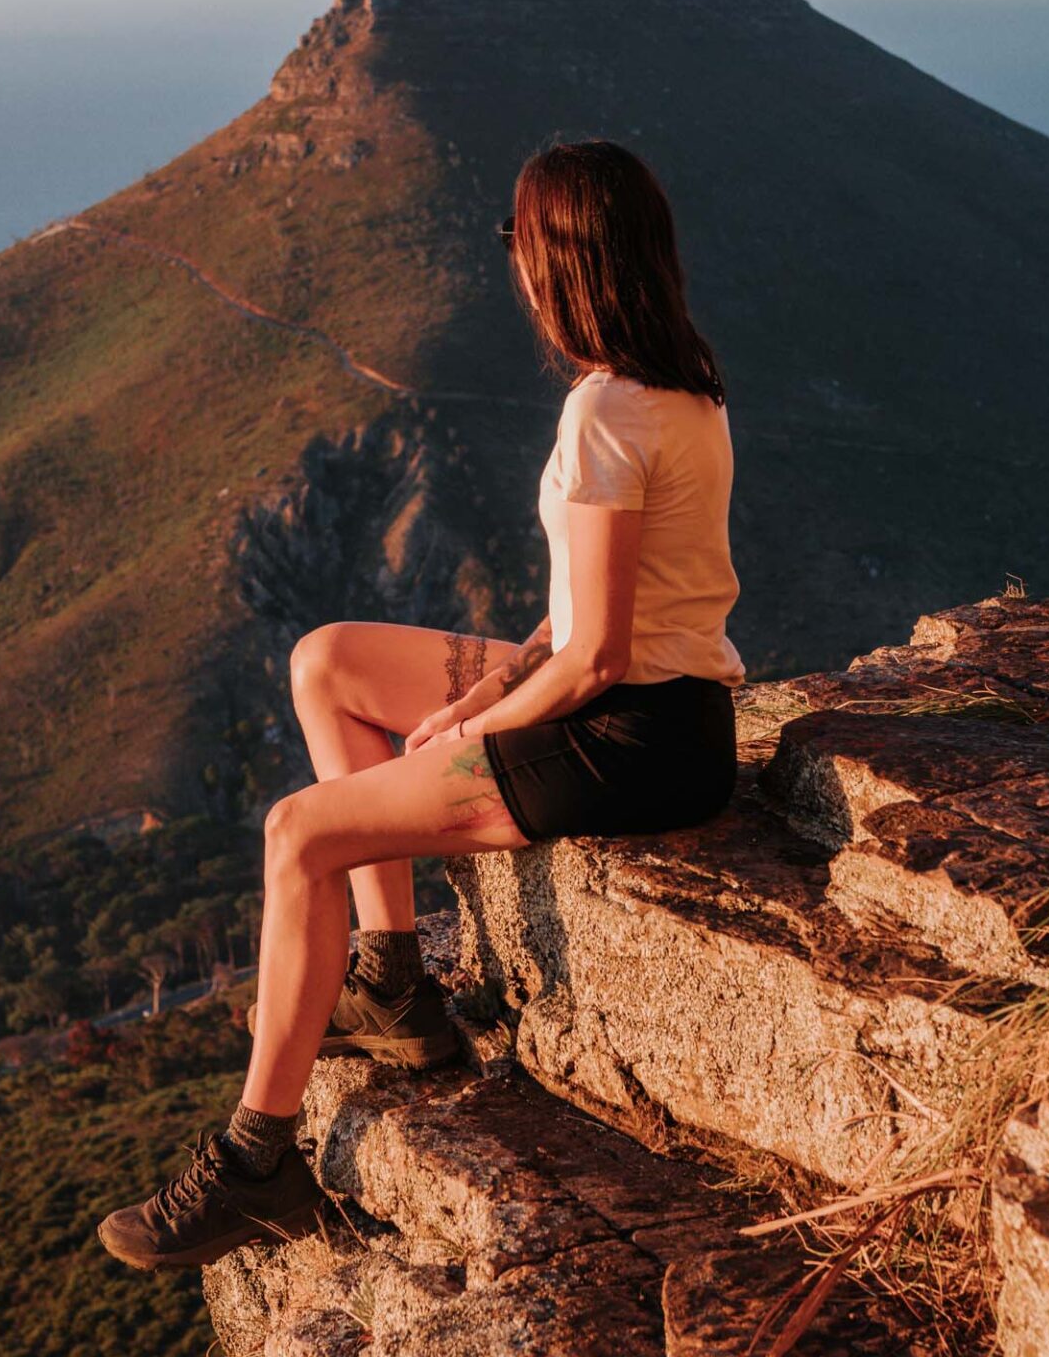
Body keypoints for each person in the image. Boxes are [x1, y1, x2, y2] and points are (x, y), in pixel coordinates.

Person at [96, 137, 746, 1271]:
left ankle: (258, 1160)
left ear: (558, 263)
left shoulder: (604, 415)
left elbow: (592, 660)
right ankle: (391, 982)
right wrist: (494, 684)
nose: (512, 263)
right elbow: (581, 619)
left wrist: (473, 727)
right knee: (329, 661)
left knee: (296, 834)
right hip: (660, 705)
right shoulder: (681, 385)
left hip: (628, 737)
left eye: (518, 239)